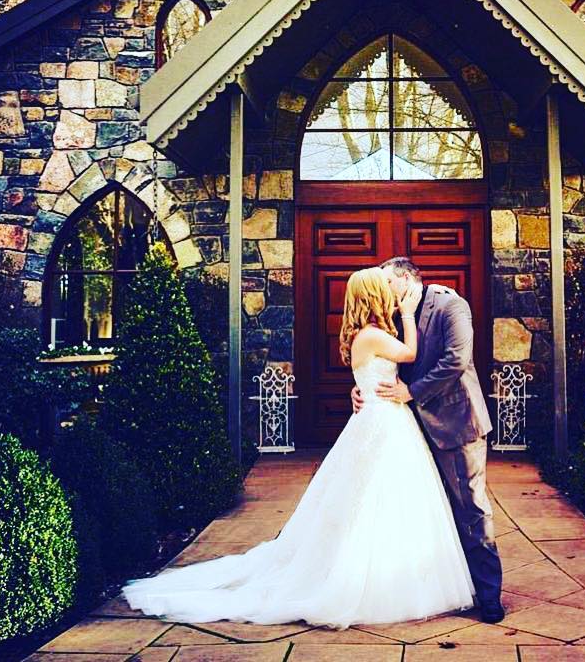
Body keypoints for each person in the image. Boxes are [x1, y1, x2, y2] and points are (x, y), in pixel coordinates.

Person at [120, 266, 475, 629]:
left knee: (386, 497)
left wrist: (365, 387)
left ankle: (400, 571)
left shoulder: (372, 335)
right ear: (373, 296)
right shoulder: (372, 336)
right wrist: (405, 312)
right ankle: (367, 580)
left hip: (385, 418)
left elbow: (383, 374)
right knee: (373, 498)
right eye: (384, 286)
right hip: (384, 423)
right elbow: (411, 354)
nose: (391, 290)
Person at [354, 257, 504, 623]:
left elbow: (456, 360)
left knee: (471, 508)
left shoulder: (451, 304)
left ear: (405, 279)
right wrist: (361, 390)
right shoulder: (393, 314)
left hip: (457, 423)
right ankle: (446, 586)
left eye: (387, 283)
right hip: (408, 428)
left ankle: (489, 596)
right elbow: (382, 360)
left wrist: (411, 392)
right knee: (428, 510)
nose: (382, 291)